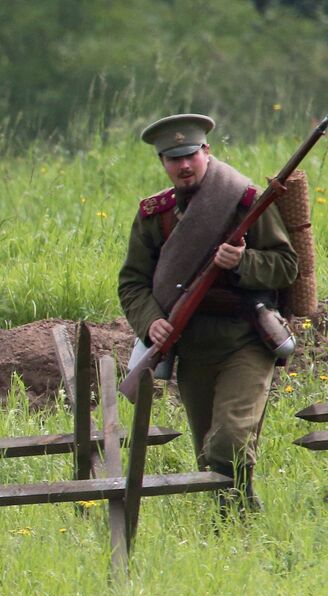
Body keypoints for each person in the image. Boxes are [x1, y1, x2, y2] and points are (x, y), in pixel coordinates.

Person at [118, 113, 297, 513]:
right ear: (162, 163)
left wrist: (243, 261)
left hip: (246, 339)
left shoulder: (246, 201)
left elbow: (287, 266)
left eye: (190, 155)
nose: (183, 165)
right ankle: (233, 528)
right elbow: (132, 283)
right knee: (208, 458)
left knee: (228, 442)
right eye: (173, 158)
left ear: (206, 152)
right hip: (192, 345)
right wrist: (152, 322)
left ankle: (238, 521)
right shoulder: (154, 215)